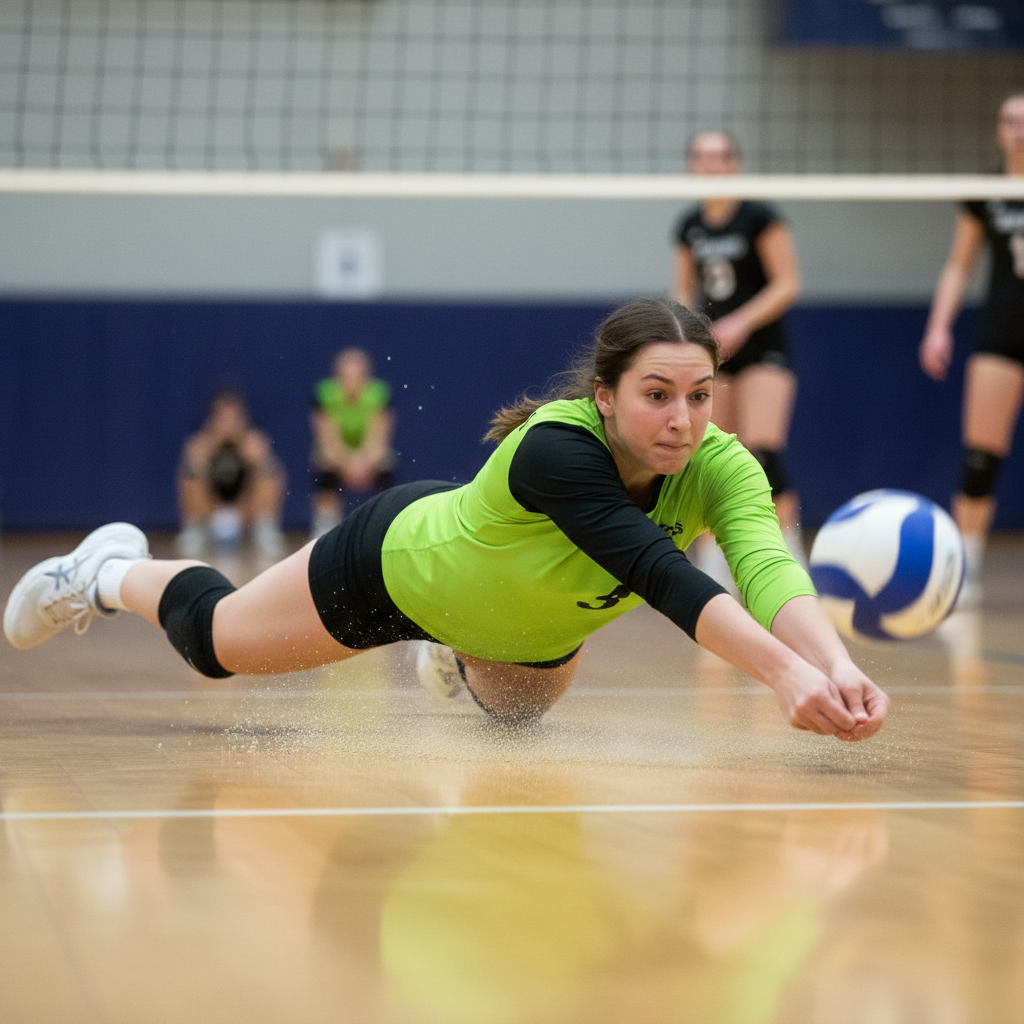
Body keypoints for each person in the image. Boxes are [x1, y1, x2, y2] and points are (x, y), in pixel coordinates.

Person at [3, 298, 888, 741]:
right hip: (393, 565)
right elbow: (664, 576)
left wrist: (836, 662)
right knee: (214, 645)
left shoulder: (722, 464)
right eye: (657, 396)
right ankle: (102, 572)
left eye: (698, 396)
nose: (682, 420)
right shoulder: (558, 448)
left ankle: (457, 653)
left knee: (514, 723)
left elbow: (768, 571)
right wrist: (781, 675)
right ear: (606, 396)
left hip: (521, 633)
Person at [674, 130, 804, 586]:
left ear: (736, 163)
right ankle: (714, 567)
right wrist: (690, 334)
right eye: (703, 156)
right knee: (710, 458)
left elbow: (787, 283)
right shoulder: (689, 223)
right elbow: (683, 292)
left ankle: (788, 556)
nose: (712, 164)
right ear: (693, 165)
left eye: (721, 156)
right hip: (714, 356)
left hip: (763, 347)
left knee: (762, 450)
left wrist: (740, 323)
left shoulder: (759, 217)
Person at [919, 91, 1024, 607]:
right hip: (1003, 330)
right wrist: (939, 327)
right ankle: (968, 566)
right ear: (998, 130)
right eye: (1009, 120)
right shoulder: (986, 190)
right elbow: (959, 265)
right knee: (982, 452)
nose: (1018, 129)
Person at [175, 390, 286, 559]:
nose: (228, 424)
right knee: (189, 472)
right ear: (213, 419)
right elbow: (193, 469)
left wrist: (247, 452)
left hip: (245, 511)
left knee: (271, 470)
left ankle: (265, 528)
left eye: (233, 418)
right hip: (212, 511)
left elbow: (268, 470)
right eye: (223, 418)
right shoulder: (200, 444)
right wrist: (214, 444)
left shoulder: (253, 441)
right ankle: (196, 529)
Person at [309, 347, 396, 539]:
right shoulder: (326, 393)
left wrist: (364, 461)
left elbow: (379, 439)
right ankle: (325, 526)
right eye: (346, 375)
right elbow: (327, 440)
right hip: (337, 455)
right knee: (323, 463)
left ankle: (383, 523)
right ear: (338, 376)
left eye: (357, 375)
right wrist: (348, 462)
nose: (352, 381)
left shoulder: (379, 393)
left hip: (367, 456)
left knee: (386, 463)